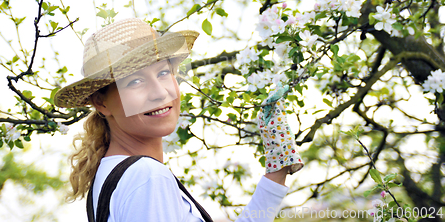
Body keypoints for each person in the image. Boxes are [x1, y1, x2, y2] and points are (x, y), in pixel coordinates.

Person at [55, 18, 303, 222]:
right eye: (135, 81)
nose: (160, 92)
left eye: (163, 73)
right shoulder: (147, 177)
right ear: (101, 102)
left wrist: (277, 169)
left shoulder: (112, 176)